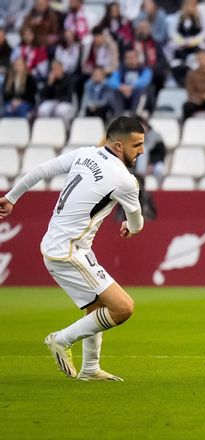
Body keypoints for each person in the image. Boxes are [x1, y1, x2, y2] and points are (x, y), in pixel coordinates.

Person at [0, 116, 145, 381]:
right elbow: (136, 220)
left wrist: (11, 198)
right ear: (118, 146)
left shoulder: (84, 154)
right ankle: (61, 340)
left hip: (58, 245)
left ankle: (90, 369)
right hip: (69, 252)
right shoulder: (124, 180)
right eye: (137, 145)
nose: (142, 151)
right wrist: (131, 227)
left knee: (98, 306)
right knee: (123, 308)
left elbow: (42, 170)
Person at [108, 49, 153, 115]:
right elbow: (111, 81)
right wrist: (121, 87)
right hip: (123, 94)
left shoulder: (144, 70)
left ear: (137, 58)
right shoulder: (120, 70)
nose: (130, 60)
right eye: (128, 58)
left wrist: (130, 87)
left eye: (132, 57)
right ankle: (118, 115)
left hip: (137, 94)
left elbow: (145, 81)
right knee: (113, 92)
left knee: (143, 91)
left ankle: (135, 114)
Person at [37, 60, 75, 124]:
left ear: (62, 68)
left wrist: (58, 101)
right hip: (52, 102)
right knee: (43, 110)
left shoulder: (68, 79)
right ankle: (47, 128)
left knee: (60, 110)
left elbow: (69, 96)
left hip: (65, 103)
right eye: (53, 69)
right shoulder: (50, 79)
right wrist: (49, 84)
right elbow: (43, 95)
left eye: (57, 68)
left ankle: (65, 130)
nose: (55, 71)